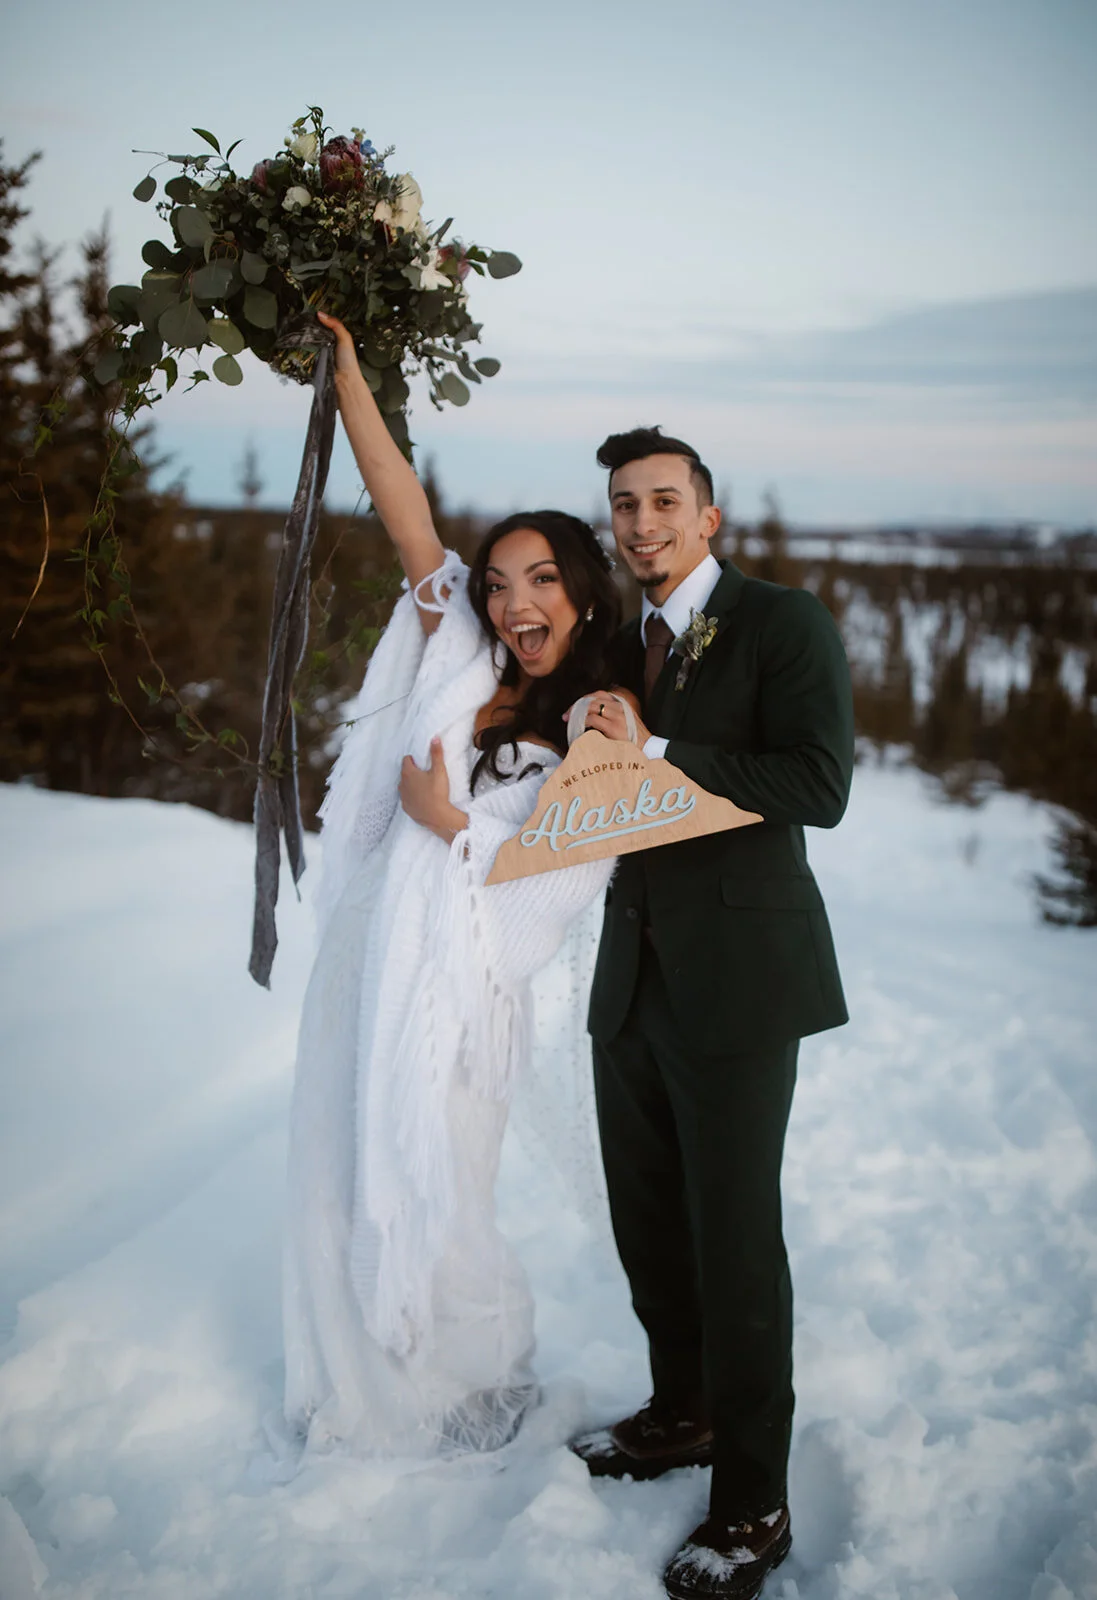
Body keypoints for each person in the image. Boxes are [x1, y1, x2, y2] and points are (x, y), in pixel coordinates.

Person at [281, 311, 626, 1459]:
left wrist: (453, 828)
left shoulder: (597, 725)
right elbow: (403, 512)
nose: (511, 602)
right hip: (371, 956)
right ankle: (360, 1389)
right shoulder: (462, 657)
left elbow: (559, 883)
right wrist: (345, 371)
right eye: (496, 583)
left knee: (445, 1198)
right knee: (334, 1176)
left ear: (579, 593)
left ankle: (471, 1394)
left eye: (540, 580)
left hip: (464, 996)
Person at [570, 427, 854, 1600]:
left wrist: (668, 748)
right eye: (624, 506)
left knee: (734, 1243)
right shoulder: (613, 643)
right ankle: (680, 1412)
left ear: (708, 516)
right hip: (628, 976)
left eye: (662, 502)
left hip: (738, 980)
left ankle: (752, 1500)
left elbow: (816, 784)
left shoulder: (781, 622)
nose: (640, 524)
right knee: (648, 1224)